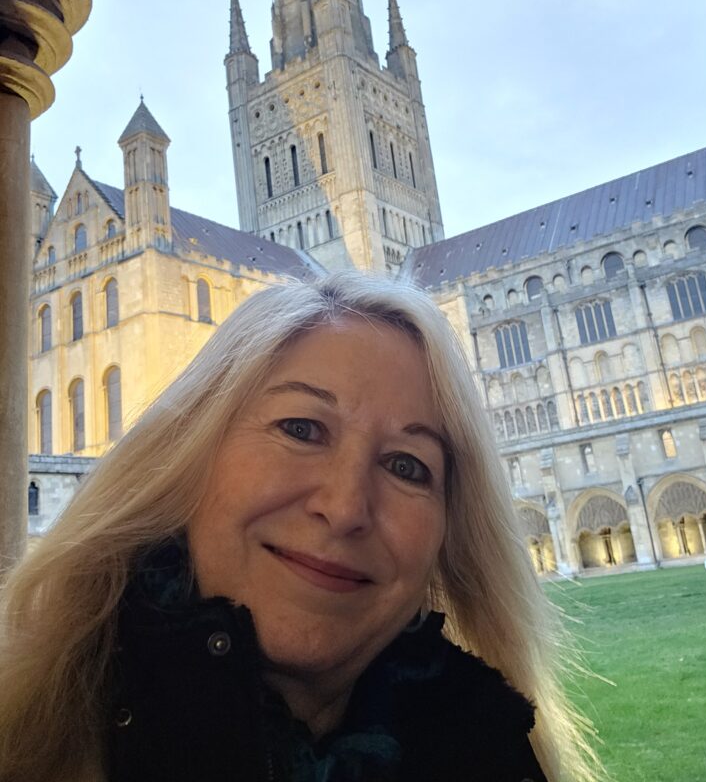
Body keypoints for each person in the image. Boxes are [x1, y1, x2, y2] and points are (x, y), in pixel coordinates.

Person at [0, 271, 601, 782]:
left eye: (405, 466)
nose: (344, 509)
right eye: (301, 429)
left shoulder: (495, 749)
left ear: (450, 537)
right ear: (186, 455)